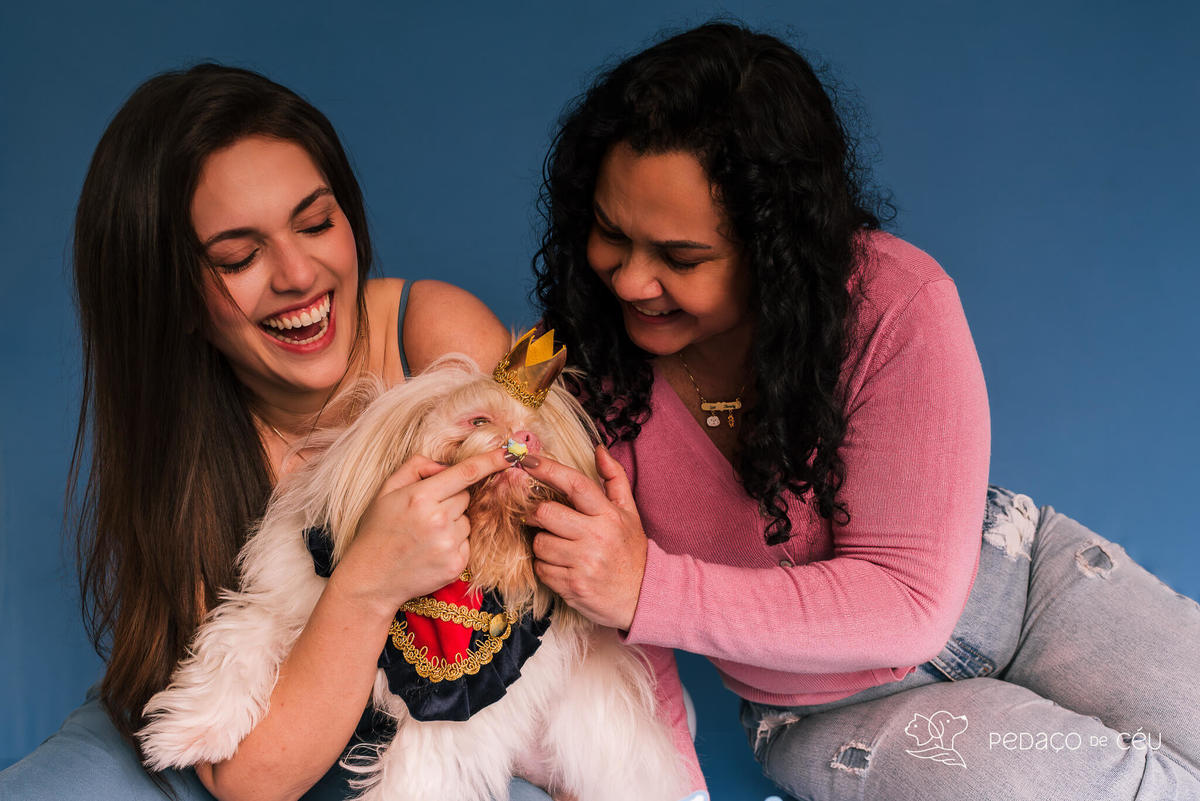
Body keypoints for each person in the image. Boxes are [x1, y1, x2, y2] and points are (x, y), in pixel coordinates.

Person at [522, 22, 1200, 800]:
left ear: (776, 248)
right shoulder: (589, 380)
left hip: (1025, 588)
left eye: (680, 258)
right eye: (611, 234)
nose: (631, 280)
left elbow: (907, 601)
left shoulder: (895, 301)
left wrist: (649, 586)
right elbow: (626, 648)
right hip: (825, 712)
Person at [0, 65, 552, 801]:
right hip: (220, 746)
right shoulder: (182, 435)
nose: (298, 274)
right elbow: (247, 774)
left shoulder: (432, 340)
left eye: (317, 222)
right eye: (239, 257)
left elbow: (560, 612)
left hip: (412, 749)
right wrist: (367, 579)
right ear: (176, 298)